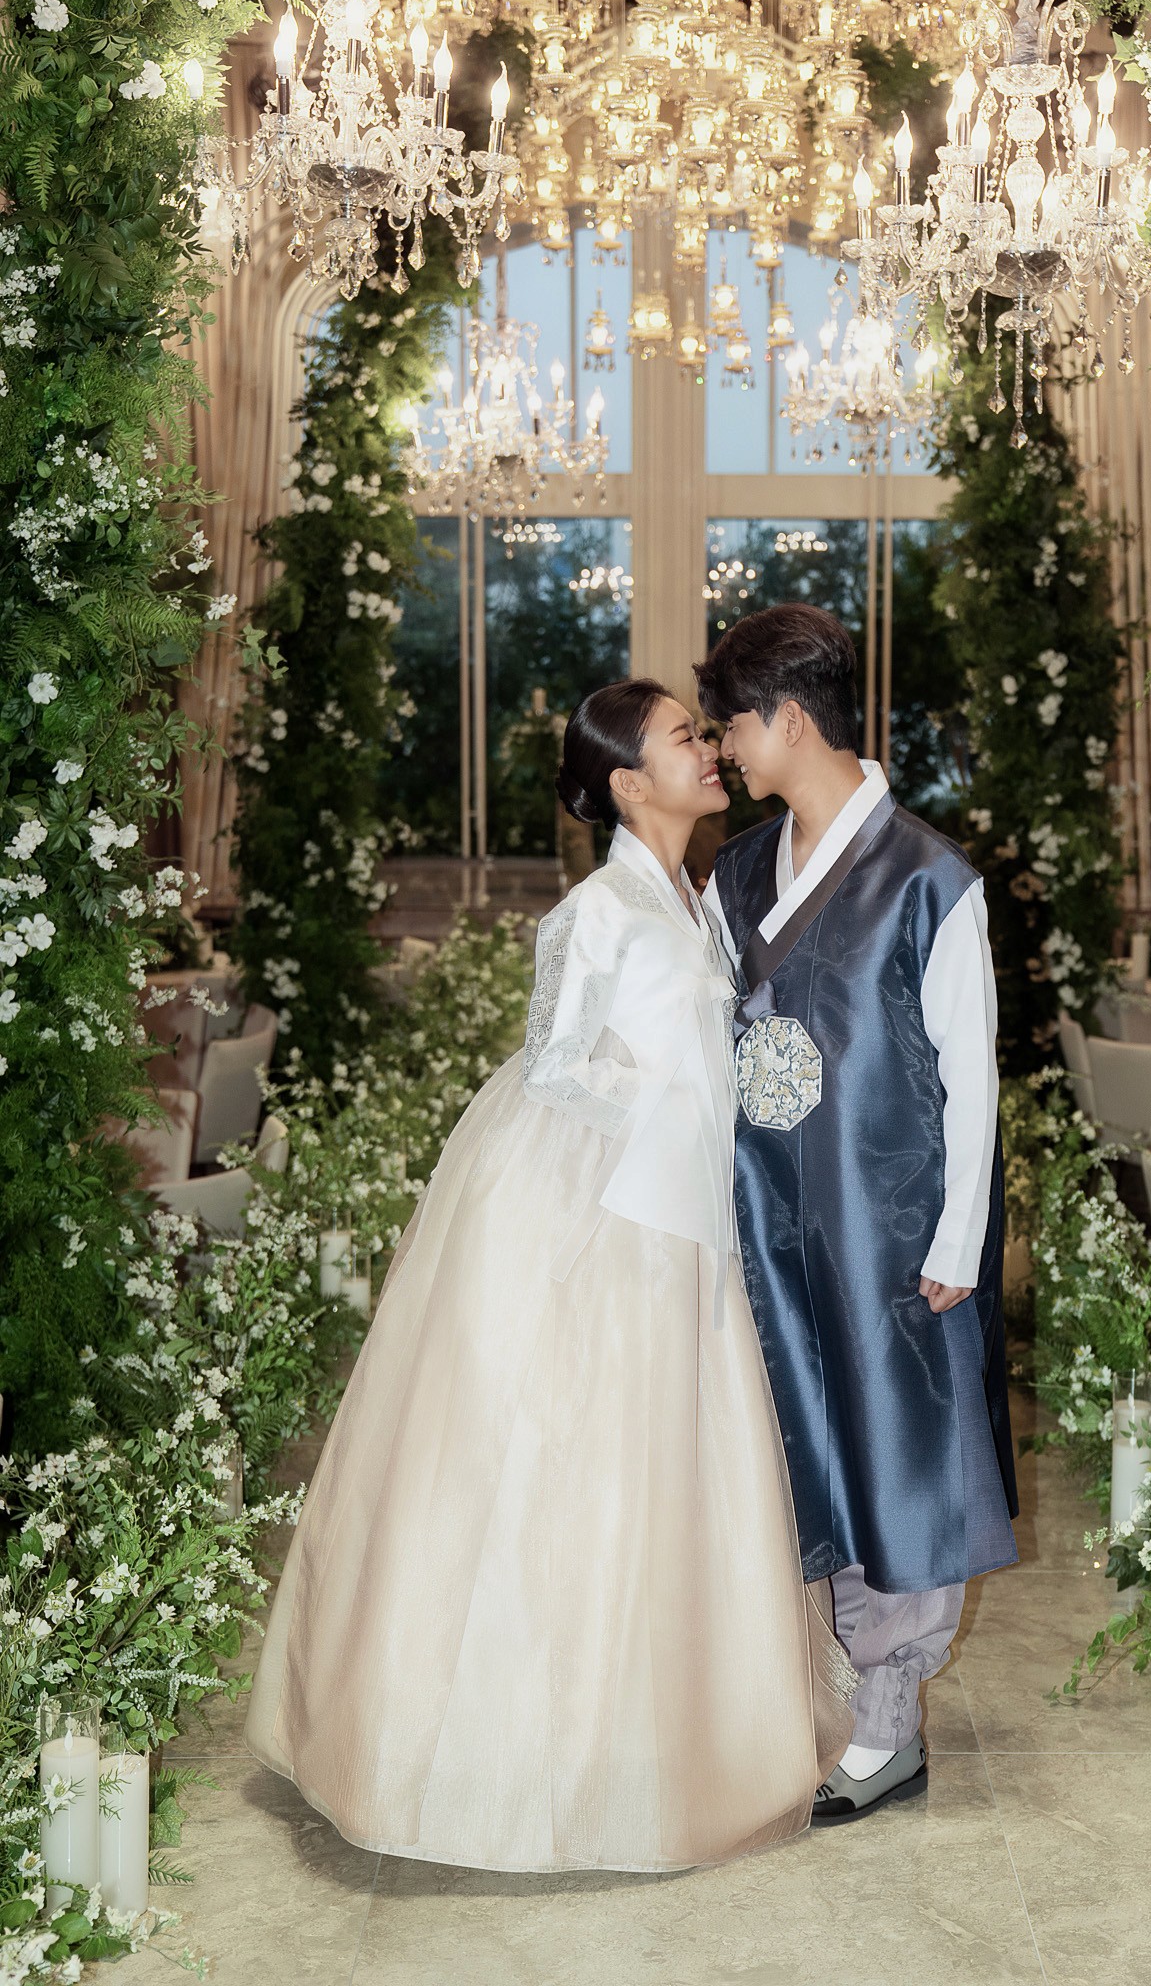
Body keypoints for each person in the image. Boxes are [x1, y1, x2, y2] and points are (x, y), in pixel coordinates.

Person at [245, 678, 854, 1874]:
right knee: (565, 1476)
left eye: (703, 733)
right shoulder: (596, 910)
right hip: (607, 1221)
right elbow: (559, 1064)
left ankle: (650, 1745)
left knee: (664, 1485)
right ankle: (503, 1755)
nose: (707, 750)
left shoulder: (694, 896)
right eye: (683, 738)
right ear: (628, 781)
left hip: (680, 1217)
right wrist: (674, 1089)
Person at [695, 604, 1019, 1826]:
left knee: (900, 1448)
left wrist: (957, 1235)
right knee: (807, 1441)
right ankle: (835, 1685)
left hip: (891, 1220)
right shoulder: (738, 872)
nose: (725, 747)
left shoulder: (930, 879)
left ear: (787, 718)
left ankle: (890, 1715)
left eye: (732, 723)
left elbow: (972, 1070)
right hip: (772, 1217)